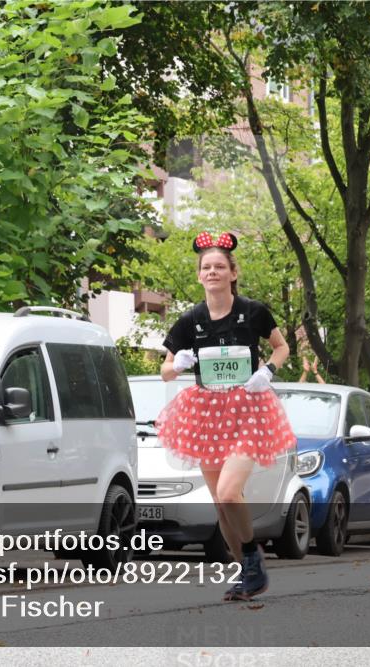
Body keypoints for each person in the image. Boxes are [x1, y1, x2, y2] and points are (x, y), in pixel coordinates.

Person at [156, 231, 296, 601]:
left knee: (229, 491)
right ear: (199, 275)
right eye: (207, 267)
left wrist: (267, 371)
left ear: (233, 273)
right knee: (221, 503)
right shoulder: (190, 319)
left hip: (248, 409)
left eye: (220, 266)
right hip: (206, 414)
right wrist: (178, 364)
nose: (213, 272)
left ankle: (251, 554)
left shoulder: (253, 311)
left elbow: (281, 347)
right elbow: (165, 370)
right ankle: (247, 572)